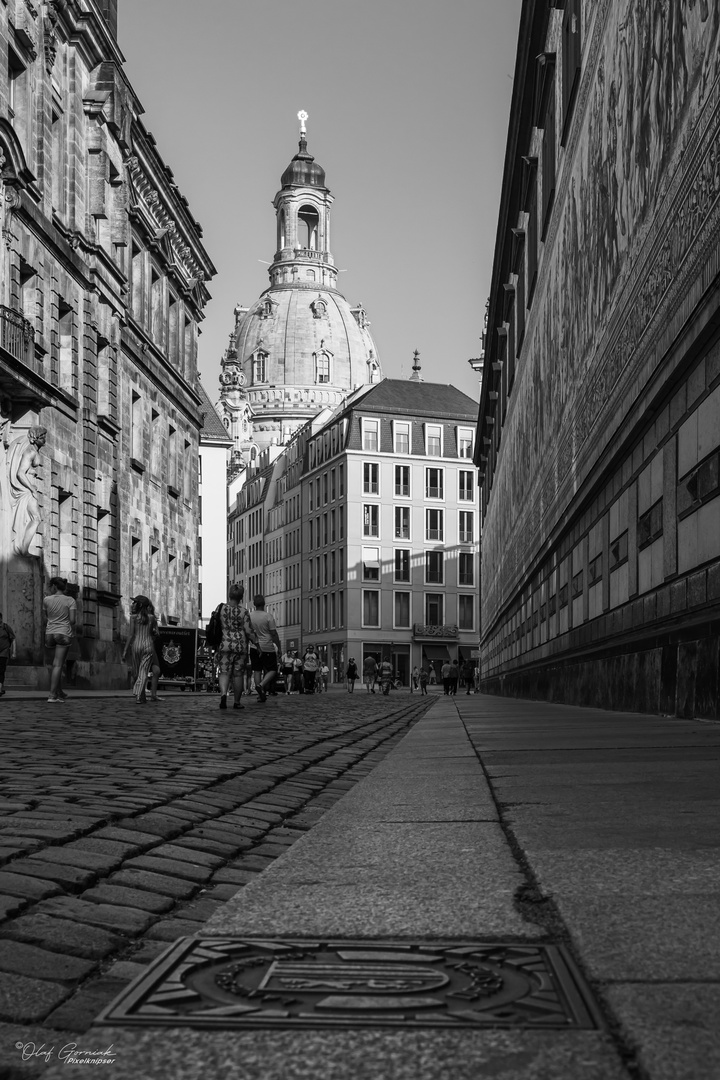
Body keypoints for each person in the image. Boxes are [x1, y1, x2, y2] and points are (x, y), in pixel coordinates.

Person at [215, 584, 254, 710]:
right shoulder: (244, 612)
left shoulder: (220, 609)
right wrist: (257, 644)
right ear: (241, 597)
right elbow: (248, 631)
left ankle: (223, 695)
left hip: (224, 643)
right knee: (238, 674)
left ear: (229, 595)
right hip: (240, 645)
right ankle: (237, 702)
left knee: (224, 671)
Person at [122, 594, 160, 705]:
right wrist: (153, 633)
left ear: (140, 604)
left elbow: (130, 635)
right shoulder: (152, 618)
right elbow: (156, 633)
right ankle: (141, 696)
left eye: (135, 602)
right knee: (142, 672)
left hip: (136, 646)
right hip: (148, 646)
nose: (132, 604)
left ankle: (138, 694)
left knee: (137, 673)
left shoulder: (133, 618)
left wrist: (124, 651)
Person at [43, 577, 77, 703]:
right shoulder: (70, 600)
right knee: (58, 665)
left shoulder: (46, 600)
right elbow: (73, 621)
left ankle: (59, 692)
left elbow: (46, 616)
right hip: (63, 633)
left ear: (54, 586)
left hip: (50, 633)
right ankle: (52, 695)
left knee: (54, 665)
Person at [247, 595, 281, 703]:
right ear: (264, 603)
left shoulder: (249, 616)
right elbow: (273, 633)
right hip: (267, 647)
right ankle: (261, 685)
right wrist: (278, 647)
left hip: (253, 647)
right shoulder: (268, 617)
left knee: (257, 671)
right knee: (272, 669)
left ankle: (259, 693)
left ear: (254, 604)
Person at [0, 613, 17, 697]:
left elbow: (13, 639)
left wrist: (14, 652)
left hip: (4, 652)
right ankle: (1, 688)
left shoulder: (6, 627)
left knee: (1, 670)